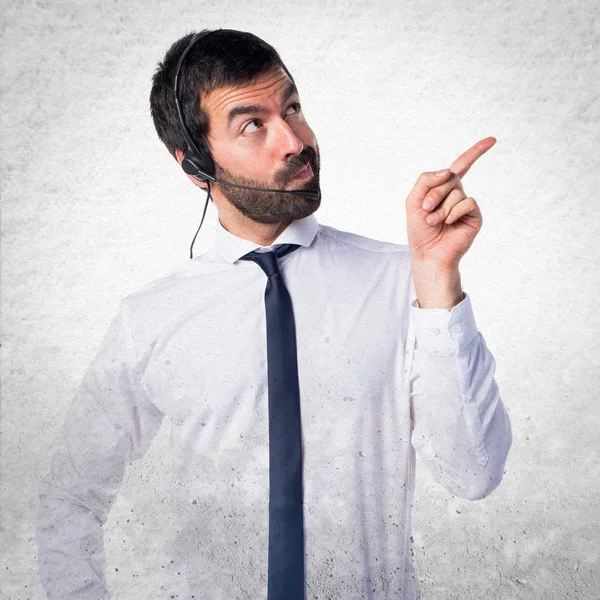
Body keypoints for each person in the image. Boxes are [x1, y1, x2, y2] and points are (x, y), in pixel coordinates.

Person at [36, 28, 512, 600]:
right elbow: (71, 492)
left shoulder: (405, 281)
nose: (294, 141)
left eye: (292, 108)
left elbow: (474, 474)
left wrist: (438, 280)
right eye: (252, 124)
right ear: (195, 165)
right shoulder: (152, 317)